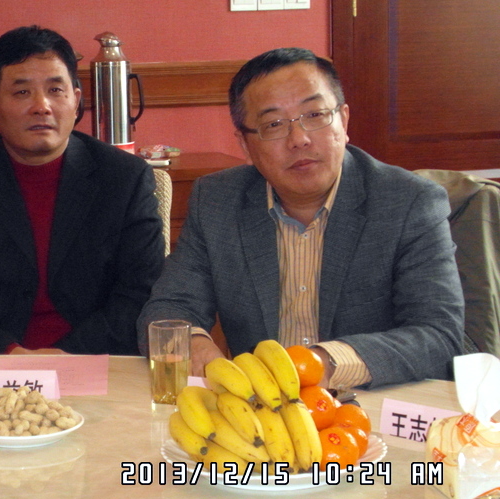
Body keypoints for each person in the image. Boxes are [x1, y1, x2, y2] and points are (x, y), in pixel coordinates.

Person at [137, 47, 464, 389]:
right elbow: (167, 309)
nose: (299, 139)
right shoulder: (218, 201)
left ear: (344, 121)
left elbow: (438, 335)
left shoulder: (408, 202)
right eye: (273, 124)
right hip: (260, 407)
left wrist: (324, 363)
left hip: (368, 405)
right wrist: (193, 345)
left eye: (315, 115)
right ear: (246, 146)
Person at [0, 26, 164, 355]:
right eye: (22, 92)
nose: (42, 106)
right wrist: (10, 355)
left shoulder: (124, 178)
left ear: (76, 101)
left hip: (98, 359)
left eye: (55, 90)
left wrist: (67, 356)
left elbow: (140, 293)